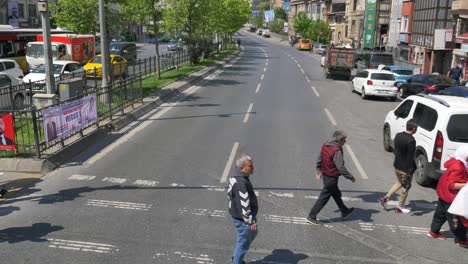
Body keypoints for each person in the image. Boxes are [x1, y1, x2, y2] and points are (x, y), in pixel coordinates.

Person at [306, 131, 356, 225]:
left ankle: (344, 210)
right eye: (344, 140)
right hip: (331, 177)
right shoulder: (337, 149)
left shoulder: (326, 144)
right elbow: (340, 167)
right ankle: (311, 216)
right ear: (338, 139)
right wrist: (350, 177)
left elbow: (319, 158)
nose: (345, 141)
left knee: (336, 193)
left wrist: (319, 169)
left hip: (325, 174)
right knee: (324, 197)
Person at [427, 145, 468, 247]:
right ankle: (461, 239)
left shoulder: (455, 160)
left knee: (440, 214)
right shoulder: (459, 167)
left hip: (444, 194)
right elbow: (452, 185)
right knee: (456, 220)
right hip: (451, 197)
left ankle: (433, 232)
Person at [379, 119, 418, 214]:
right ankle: (399, 207)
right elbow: (410, 157)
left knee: (399, 182)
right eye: (416, 128)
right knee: (406, 186)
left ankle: (386, 197)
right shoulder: (411, 140)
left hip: (397, 165)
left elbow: (396, 150)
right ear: (413, 129)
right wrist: (411, 170)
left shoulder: (398, 135)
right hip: (406, 169)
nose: (416, 130)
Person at [227, 154, 258, 264]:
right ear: (242, 168)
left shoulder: (236, 175)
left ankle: (236, 257)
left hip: (238, 215)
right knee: (243, 242)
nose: (253, 167)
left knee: (251, 234)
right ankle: (237, 260)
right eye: (250, 166)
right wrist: (250, 221)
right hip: (242, 218)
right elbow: (244, 204)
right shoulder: (241, 183)